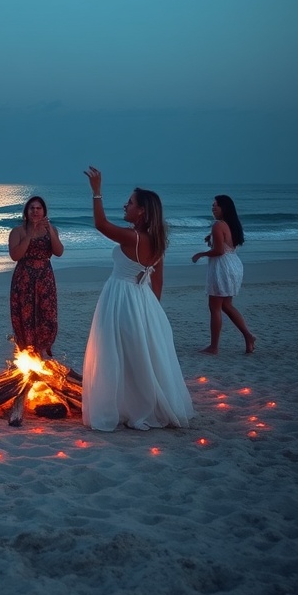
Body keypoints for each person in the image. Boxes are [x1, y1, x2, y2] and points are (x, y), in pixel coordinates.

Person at [82, 167, 194, 432]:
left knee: (116, 354)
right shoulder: (157, 241)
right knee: (138, 356)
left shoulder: (134, 237)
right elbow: (158, 281)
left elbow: (100, 225)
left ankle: (124, 406)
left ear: (142, 211)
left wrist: (97, 193)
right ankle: (136, 404)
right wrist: (149, 312)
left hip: (120, 298)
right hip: (142, 300)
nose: (125, 205)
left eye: (130, 202)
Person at [192, 194, 255, 355]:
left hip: (222, 268)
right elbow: (226, 243)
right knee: (226, 305)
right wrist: (211, 237)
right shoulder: (232, 224)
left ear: (224, 208)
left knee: (215, 307)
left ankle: (214, 346)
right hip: (233, 265)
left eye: (216, 205)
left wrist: (201, 254)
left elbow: (219, 251)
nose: (213, 208)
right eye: (212, 205)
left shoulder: (218, 225)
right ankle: (248, 336)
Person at [8, 196, 64, 358]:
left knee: (47, 313)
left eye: (38, 208)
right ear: (26, 211)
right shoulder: (17, 231)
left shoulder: (51, 230)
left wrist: (51, 231)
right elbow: (15, 255)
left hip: (44, 277)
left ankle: (43, 350)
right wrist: (29, 235)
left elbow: (58, 252)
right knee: (25, 314)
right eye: (32, 208)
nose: (35, 211)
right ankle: (28, 352)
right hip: (24, 277)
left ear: (44, 211)